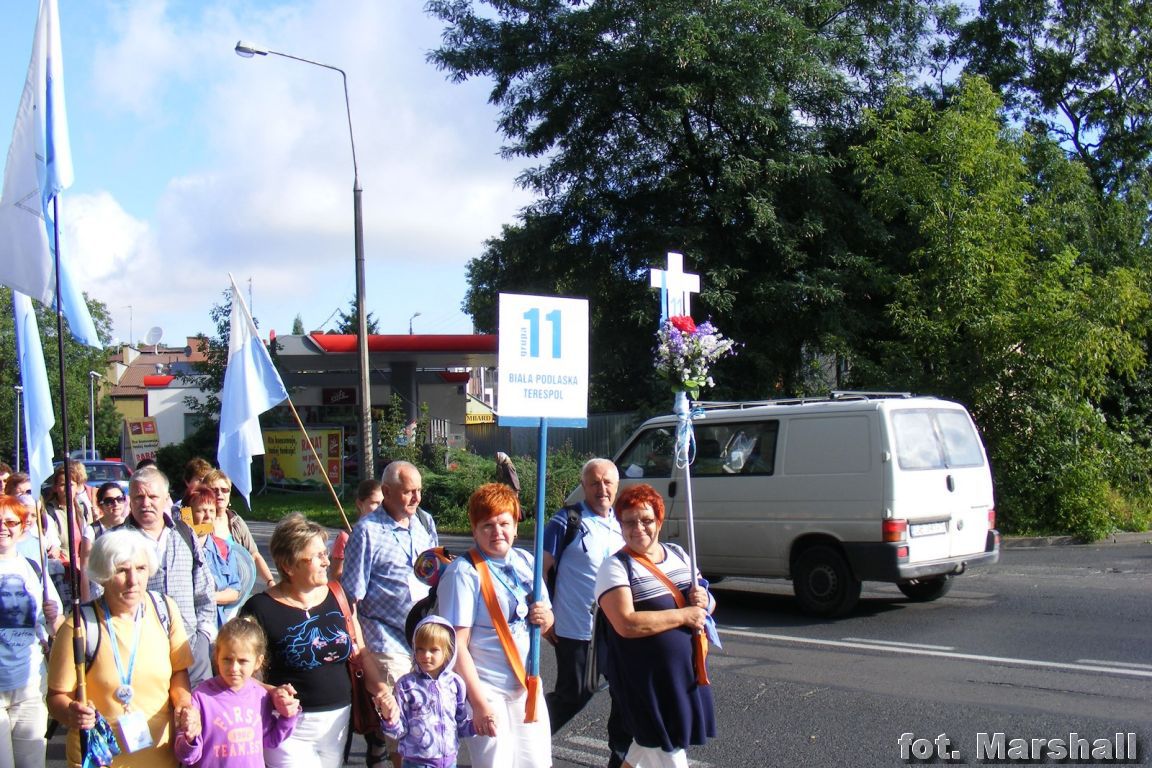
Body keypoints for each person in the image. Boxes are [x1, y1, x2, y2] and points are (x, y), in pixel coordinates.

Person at [241, 513, 392, 768]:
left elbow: (361, 652)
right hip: (286, 727)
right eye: (317, 556)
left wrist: (383, 691)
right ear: (289, 566)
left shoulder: (339, 596)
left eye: (325, 553)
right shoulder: (259, 609)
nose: (327, 561)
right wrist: (272, 691)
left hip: (338, 724)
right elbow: (240, 673)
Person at [47, 528, 197, 768]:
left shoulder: (165, 610)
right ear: (103, 575)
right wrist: (72, 713)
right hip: (98, 760)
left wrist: (184, 705)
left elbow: (179, 672)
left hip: (160, 758)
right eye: (121, 570)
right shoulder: (79, 627)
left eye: (141, 568)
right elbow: (56, 697)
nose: (133, 580)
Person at [594, 484, 717, 768]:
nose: (639, 528)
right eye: (629, 522)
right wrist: (684, 615)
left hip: (683, 674)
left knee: (644, 749)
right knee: (666, 750)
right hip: (644, 680)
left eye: (646, 520)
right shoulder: (615, 567)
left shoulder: (679, 554)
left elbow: (705, 606)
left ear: (659, 521)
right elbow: (626, 623)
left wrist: (705, 600)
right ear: (620, 525)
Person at [437, 483, 554, 768]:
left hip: (527, 687)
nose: (497, 532)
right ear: (474, 530)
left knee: (536, 763)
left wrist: (545, 618)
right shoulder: (463, 572)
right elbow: (456, 646)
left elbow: (548, 623)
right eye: (487, 525)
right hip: (487, 689)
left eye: (504, 523)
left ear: (515, 527)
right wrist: (478, 703)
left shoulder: (526, 561)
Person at [341, 461, 438, 768]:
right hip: (386, 640)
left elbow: (436, 573)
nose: (416, 498)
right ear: (386, 492)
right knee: (402, 726)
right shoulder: (366, 532)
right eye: (409, 491)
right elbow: (350, 595)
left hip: (422, 638)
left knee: (426, 718)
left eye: (419, 490)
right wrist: (358, 647)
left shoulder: (423, 523)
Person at [541, 457, 629, 765]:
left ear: (617, 485)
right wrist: (545, 614)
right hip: (577, 628)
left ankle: (621, 757)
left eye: (607, 482)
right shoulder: (567, 520)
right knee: (575, 694)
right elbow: (541, 570)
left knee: (626, 696)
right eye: (594, 482)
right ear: (584, 486)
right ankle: (524, 741)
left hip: (618, 629)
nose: (601, 488)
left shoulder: (623, 523)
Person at [116, 467, 217, 687]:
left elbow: (204, 589)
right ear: (130, 500)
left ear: (166, 498)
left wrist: (204, 636)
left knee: (196, 707)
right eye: (138, 497)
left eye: (152, 497)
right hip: (140, 650)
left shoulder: (184, 533)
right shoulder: (116, 541)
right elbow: (101, 594)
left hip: (190, 647)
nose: (145, 503)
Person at [173, 615, 301, 767]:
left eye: (242, 661)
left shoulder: (260, 696)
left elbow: (270, 740)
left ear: (258, 662)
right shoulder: (201, 697)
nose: (234, 668)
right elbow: (187, 757)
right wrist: (190, 738)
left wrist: (287, 716)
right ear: (217, 656)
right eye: (227, 659)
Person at [0, 496, 62, 768]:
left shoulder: (34, 567)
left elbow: (54, 626)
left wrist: (53, 617)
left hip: (30, 686)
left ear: (23, 527)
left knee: (33, 763)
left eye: (11, 522)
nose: (3, 528)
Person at [383, 614, 473, 768]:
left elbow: (461, 725)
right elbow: (398, 731)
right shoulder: (406, 685)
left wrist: (477, 725)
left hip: (450, 762)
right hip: (416, 763)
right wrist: (389, 718)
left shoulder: (455, 683)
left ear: (447, 651)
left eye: (434, 650)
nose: (426, 655)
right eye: (420, 649)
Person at [200, 470, 276, 589]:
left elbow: (254, 554)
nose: (220, 493)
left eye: (224, 490)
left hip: (236, 589)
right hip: (208, 589)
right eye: (214, 490)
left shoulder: (236, 522)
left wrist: (270, 582)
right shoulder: (200, 521)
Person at [186, 486, 243, 628]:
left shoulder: (224, 547)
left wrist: (209, 597)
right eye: (201, 510)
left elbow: (235, 590)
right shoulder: (177, 548)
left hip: (217, 628)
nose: (208, 516)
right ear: (187, 513)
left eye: (211, 510)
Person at [328, 479, 383, 581]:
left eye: (382, 503)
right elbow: (335, 577)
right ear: (359, 504)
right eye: (375, 503)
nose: (380, 508)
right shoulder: (346, 537)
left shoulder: (387, 534)